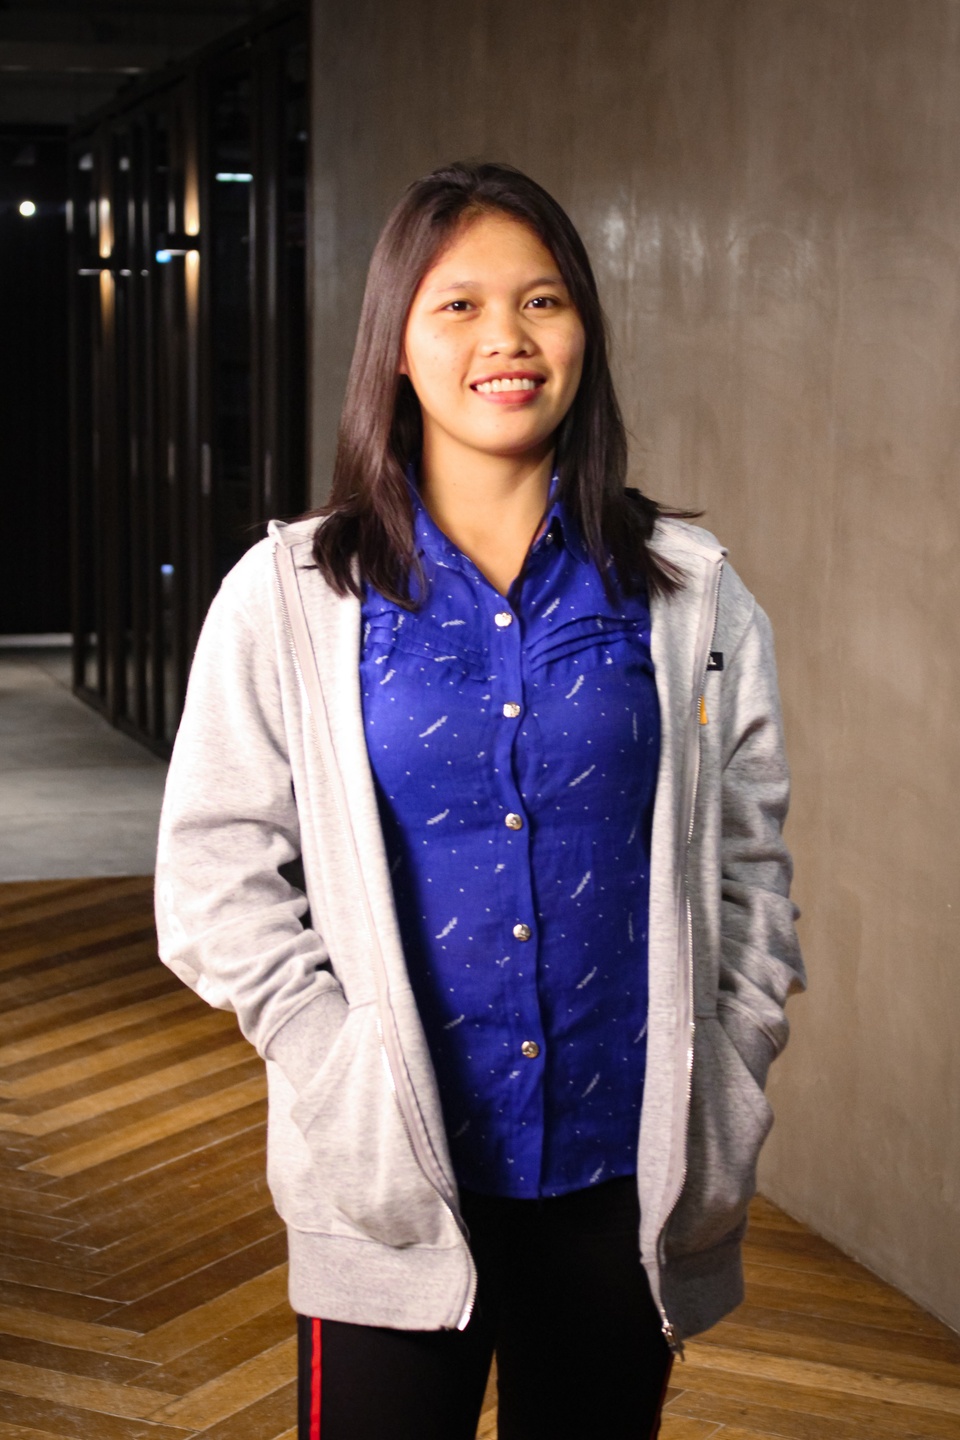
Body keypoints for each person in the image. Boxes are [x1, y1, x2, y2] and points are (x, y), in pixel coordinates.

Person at [155, 161, 805, 1440]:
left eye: (542, 301)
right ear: (396, 345)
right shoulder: (292, 596)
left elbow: (749, 866)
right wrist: (337, 1067)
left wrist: (732, 1062)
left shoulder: (691, 596)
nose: (506, 337)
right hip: (394, 1180)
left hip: (625, 1175)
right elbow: (214, 874)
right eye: (457, 305)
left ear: (584, 335)